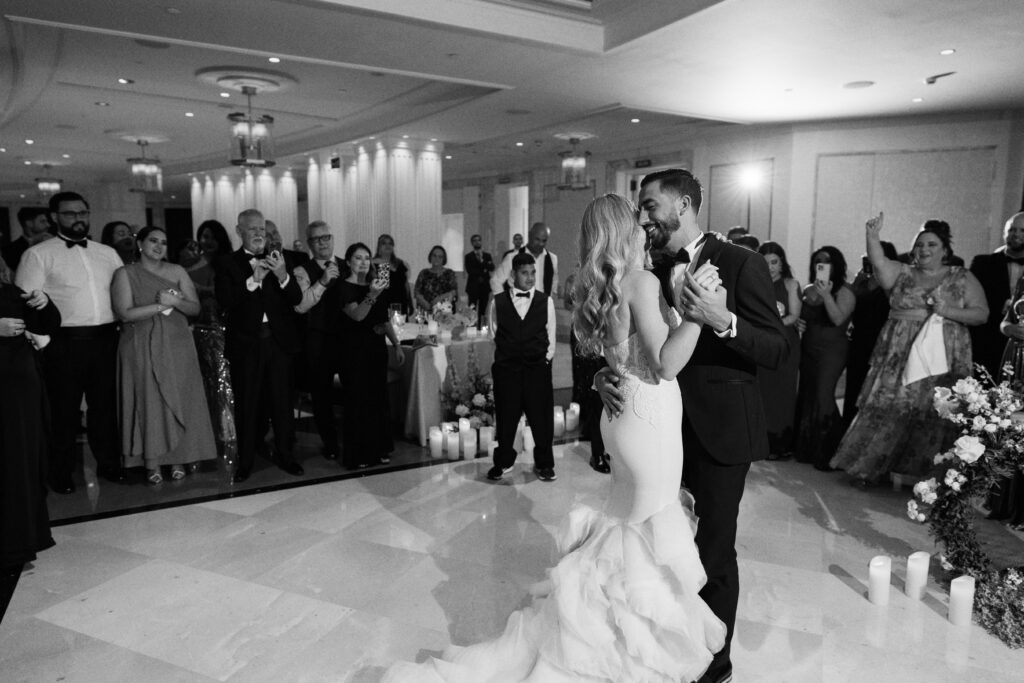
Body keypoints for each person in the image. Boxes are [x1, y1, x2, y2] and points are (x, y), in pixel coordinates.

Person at [384, 193, 727, 682]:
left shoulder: (604, 287)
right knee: (646, 536)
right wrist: (698, 312)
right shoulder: (641, 281)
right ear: (624, 231)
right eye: (637, 220)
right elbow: (666, 363)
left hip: (621, 418)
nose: (645, 226)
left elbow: (610, 360)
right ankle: (622, 661)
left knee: (624, 531)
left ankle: (597, 642)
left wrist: (596, 379)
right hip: (649, 422)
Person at [600, 169, 789, 683]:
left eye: (650, 205)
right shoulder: (647, 268)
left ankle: (713, 664)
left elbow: (777, 347)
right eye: (640, 209)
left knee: (712, 551)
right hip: (660, 433)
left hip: (720, 429)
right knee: (660, 546)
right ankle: (666, 649)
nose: (643, 217)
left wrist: (725, 320)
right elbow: (630, 341)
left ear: (683, 204)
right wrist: (603, 374)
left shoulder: (741, 262)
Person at [831, 215, 988, 485]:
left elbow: (981, 314)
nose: (924, 250)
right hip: (899, 350)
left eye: (932, 245)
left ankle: (932, 474)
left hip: (943, 353)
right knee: (890, 404)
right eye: (919, 245)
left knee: (935, 410)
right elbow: (878, 262)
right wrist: (872, 236)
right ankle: (871, 467)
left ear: (945, 250)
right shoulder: (902, 272)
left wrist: (947, 311)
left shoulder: (962, 277)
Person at [15, 191, 126, 494]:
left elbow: (120, 294)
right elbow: (24, 303)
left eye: (83, 213)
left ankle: (109, 464)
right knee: (63, 412)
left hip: (106, 339)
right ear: (54, 217)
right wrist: (45, 343)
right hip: (64, 343)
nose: (78, 219)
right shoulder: (38, 254)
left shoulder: (107, 253)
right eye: (70, 213)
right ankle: (60, 472)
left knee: (105, 408)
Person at [112, 227, 216, 484]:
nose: (159, 246)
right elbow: (125, 313)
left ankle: (179, 456)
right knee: (151, 401)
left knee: (179, 398)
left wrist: (177, 303)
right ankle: (152, 462)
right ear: (140, 243)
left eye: (164, 242)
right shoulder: (125, 274)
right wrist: (160, 305)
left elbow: (194, 308)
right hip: (140, 343)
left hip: (178, 343)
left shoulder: (178, 271)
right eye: (153, 241)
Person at [215, 209, 304, 484]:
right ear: (239, 230)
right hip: (246, 345)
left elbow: (296, 299)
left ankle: (286, 455)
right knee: (247, 405)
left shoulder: (279, 259)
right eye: (252, 229)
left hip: (278, 343)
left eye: (262, 230)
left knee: (281, 403)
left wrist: (282, 275)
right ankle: (246, 462)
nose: (258, 234)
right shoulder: (228, 264)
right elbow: (226, 303)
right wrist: (253, 279)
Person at [0, 255, 60, 573]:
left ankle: (19, 545)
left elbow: (48, 326)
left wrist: (44, 302)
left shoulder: (11, 292)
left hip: (19, 394)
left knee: (20, 465)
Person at [486, 252, 558, 483]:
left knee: (541, 419)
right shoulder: (497, 303)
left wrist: (544, 362)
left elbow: (551, 337)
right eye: (525, 273)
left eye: (533, 273)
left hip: (537, 370)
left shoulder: (545, 301)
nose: (530, 277)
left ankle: (545, 463)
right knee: (506, 418)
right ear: (513, 275)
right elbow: (493, 334)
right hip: (508, 371)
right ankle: (504, 461)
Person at [338, 242, 405, 468]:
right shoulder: (344, 287)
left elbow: (383, 318)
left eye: (367, 258)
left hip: (376, 348)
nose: (364, 262)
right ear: (348, 262)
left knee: (378, 399)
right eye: (358, 258)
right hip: (354, 350)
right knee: (358, 401)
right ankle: (358, 454)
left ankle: (379, 449)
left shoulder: (375, 284)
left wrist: (395, 344)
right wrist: (372, 294)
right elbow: (357, 315)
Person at [793, 246, 855, 469]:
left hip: (832, 350)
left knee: (824, 395)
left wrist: (827, 295)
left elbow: (838, 319)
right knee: (808, 395)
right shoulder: (808, 290)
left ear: (836, 265)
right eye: (818, 260)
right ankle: (808, 450)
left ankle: (831, 452)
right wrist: (799, 322)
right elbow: (801, 315)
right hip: (808, 347)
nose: (822, 264)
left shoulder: (845, 291)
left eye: (827, 261)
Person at [178, 238, 237, 458]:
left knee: (223, 381)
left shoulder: (221, 265)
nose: (194, 248)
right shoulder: (181, 271)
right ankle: (204, 435)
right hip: (195, 332)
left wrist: (200, 288)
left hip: (220, 330)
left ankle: (227, 432)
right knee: (202, 384)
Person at [292, 221, 345, 461]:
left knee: (353, 390)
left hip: (347, 339)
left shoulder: (348, 264)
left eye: (326, 237)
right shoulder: (302, 270)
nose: (323, 242)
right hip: (317, 338)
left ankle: (354, 439)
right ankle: (331, 444)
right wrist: (322, 281)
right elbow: (301, 306)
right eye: (317, 239)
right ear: (309, 244)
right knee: (321, 395)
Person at [844, 241, 899, 429]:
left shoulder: (895, 281)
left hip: (881, 338)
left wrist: (882, 279)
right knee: (854, 387)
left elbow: (895, 303)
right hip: (859, 338)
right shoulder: (862, 281)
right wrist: (857, 284)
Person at [986, 275, 1024, 529]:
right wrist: (1009, 329)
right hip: (1015, 357)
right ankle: (1004, 503)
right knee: (1008, 425)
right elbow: (1006, 320)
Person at [757, 241, 801, 459]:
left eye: (774, 261)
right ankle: (762, 443)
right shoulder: (756, 283)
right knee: (763, 392)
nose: (771, 267)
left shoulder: (791, 284)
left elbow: (793, 316)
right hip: (763, 343)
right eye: (765, 263)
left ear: (782, 262)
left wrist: (771, 322)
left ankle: (781, 444)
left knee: (783, 393)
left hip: (785, 342)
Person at [564, 268, 609, 473]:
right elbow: (572, 305)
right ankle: (597, 453)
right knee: (594, 399)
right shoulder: (581, 279)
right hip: (592, 346)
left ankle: (609, 448)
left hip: (614, 352)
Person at [970, 211, 1024, 379]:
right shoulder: (982, 263)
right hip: (988, 343)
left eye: (1022, 230)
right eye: (1011, 230)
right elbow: (971, 301)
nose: (1016, 234)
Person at [491, 222, 559, 297]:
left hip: (543, 306)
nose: (540, 244)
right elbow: (495, 281)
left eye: (544, 241)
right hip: (519, 306)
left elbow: (554, 282)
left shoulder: (552, 259)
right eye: (537, 239)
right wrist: (504, 303)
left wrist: (557, 291)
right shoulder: (513, 257)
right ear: (530, 235)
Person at [2, 207, 53, 271]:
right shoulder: (9, 250)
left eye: (47, 221)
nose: (48, 225)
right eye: (42, 221)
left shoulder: (53, 244)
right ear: (29, 223)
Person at [373, 233, 412, 315]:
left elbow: (405, 284)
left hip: (401, 302)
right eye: (384, 243)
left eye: (390, 243)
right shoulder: (374, 263)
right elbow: (383, 288)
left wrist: (410, 302)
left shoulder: (400, 263)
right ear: (379, 247)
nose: (388, 245)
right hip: (385, 304)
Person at [413, 245, 458, 313]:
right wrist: (426, 304)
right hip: (426, 310)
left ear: (444, 259)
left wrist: (439, 299)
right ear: (430, 257)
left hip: (444, 312)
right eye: (434, 255)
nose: (437, 258)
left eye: (440, 257)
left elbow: (454, 291)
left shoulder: (449, 273)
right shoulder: (423, 273)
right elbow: (417, 292)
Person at [463, 233, 494, 328]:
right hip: (473, 286)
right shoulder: (468, 256)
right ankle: (471, 327)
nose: (477, 242)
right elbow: (470, 270)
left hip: (484, 286)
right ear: (472, 243)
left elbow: (492, 267)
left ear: (481, 241)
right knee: (472, 309)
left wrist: (482, 261)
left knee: (483, 309)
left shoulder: (487, 256)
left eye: (479, 240)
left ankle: (482, 329)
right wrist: (484, 269)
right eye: (475, 240)